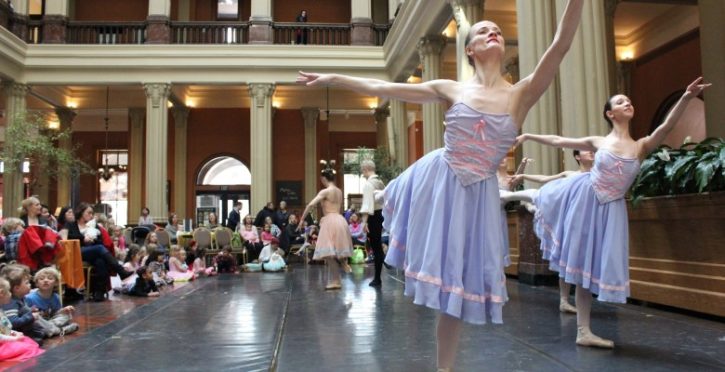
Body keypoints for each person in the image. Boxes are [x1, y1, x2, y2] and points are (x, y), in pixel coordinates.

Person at [297, 1, 584, 368]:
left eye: (496, 29)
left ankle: (443, 366)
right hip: (442, 180)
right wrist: (334, 78)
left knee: (456, 287)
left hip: (478, 194)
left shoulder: (520, 94)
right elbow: (384, 86)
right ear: (469, 49)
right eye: (482, 30)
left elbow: (560, 44)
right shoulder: (451, 88)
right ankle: (394, 193)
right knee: (440, 268)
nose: (491, 31)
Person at [516, 77, 710, 348]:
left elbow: (666, 127)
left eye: (628, 100)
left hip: (612, 210)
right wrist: (528, 135)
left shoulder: (640, 146)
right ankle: (583, 330)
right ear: (610, 114)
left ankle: (584, 330)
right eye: (620, 102)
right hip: (586, 200)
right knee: (581, 264)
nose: (627, 102)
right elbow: (559, 140)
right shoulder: (598, 141)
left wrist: (687, 97)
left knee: (594, 265)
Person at [502, 151, 594, 314]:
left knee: (578, 262)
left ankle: (575, 301)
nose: (592, 153)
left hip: (586, 223)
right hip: (567, 221)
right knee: (565, 261)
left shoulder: (596, 176)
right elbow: (545, 179)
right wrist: (524, 176)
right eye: (586, 151)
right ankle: (564, 300)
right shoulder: (570, 174)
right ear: (577, 157)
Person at [61, 203, 134, 301]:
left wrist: (92, 239)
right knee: (99, 249)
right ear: (81, 212)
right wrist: (84, 239)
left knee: (100, 261)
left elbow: (100, 241)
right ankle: (120, 271)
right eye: (89, 213)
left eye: (92, 213)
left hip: (91, 252)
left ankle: (99, 292)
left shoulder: (94, 225)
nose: (91, 215)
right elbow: (67, 238)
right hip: (76, 251)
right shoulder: (71, 224)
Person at [298, 161, 353, 290]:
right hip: (340, 220)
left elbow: (310, 205)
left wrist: (301, 220)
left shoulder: (325, 191)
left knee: (327, 253)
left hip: (329, 220)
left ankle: (336, 280)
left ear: (323, 178)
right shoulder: (339, 191)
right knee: (337, 247)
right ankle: (343, 262)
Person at [25, 267, 79, 337]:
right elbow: (27, 316)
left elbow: (56, 313)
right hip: (38, 322)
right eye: (41, 279)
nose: (45, 280)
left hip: (49, 321)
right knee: (36, 320)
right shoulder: (30, 297)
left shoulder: (56, 297)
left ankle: (50, 330)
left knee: (67, 315)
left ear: (56, 282)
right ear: (37, 283)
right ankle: (60, 330)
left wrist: (64, 310)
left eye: (50, 278)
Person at [0, 277, 45, 361]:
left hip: (4, 340)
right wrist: (14, 338)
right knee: (24, 347)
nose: (10, 294)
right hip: (2, 343)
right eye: (9, 291)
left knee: (27, 341)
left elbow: (5, 328)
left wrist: (14, 333)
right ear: (1, 293)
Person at [358, 160, 386, 287]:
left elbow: (367, 205)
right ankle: (378, 275)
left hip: (373, 217)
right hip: (381, 216)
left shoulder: (369, 184)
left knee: (376, 248)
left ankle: (377, 278)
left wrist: (364, 222)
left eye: (362, 170)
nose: (362, 173)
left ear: (366, 169)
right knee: (378, 247)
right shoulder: (380, 182)